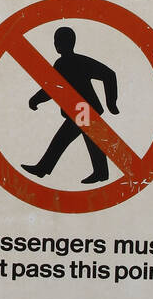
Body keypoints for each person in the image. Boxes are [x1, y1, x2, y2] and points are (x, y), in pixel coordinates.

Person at [21, 26, 119, 184]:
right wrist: (110, 103)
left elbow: (52, 88)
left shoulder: (65, 63)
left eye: (58, 41)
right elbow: (53, 88)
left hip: (83, 111)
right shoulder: (70, 62)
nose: (56, 44)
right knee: (92, 141)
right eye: (55, 41)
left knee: (62, 140)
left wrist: (112, 103)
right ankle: (101, 173)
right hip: (82, 110)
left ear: (67, 43)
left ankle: (43, 168)